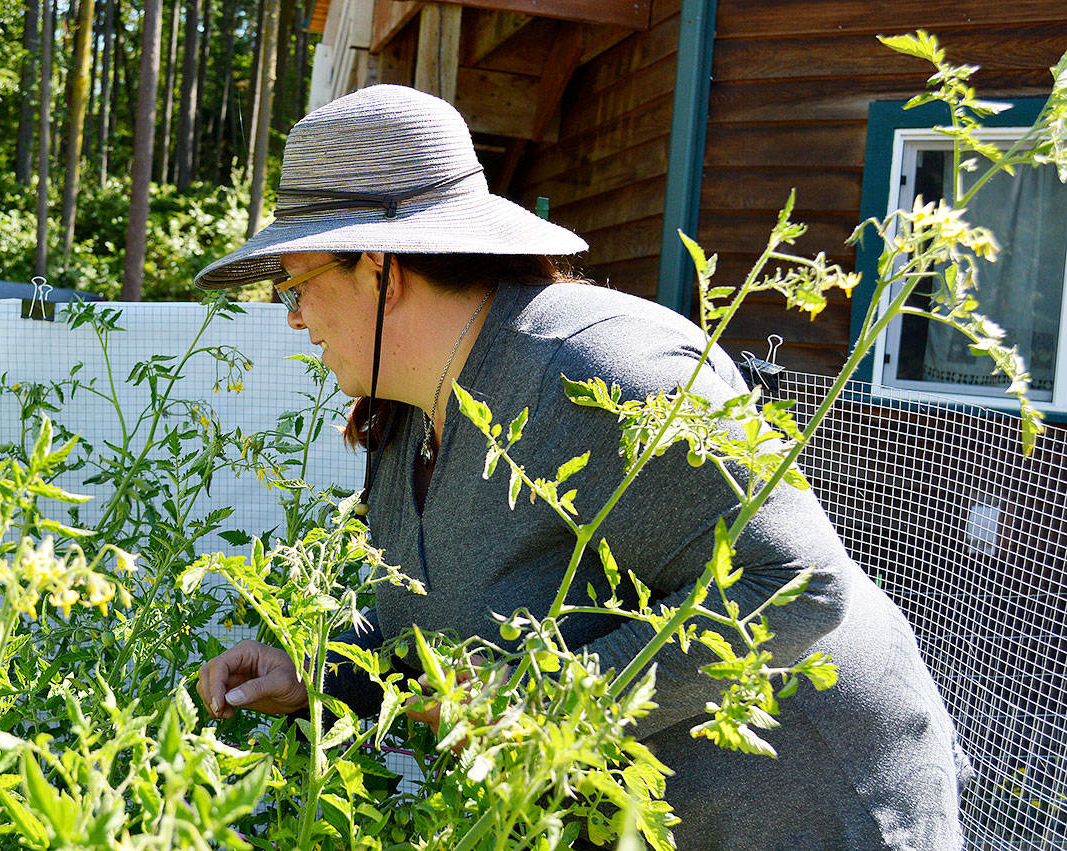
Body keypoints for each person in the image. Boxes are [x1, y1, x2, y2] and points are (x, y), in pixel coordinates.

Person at [192, 84, 969, 848]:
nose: (291, 317)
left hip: (806, 807)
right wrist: (318, 674)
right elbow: (436, 626)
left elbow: (800, 586)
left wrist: (534, 699)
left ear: (376, 265)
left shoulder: (597, 371)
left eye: (293, 284)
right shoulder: (410, 417)